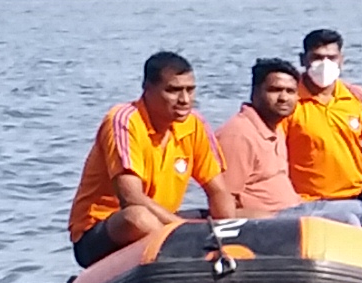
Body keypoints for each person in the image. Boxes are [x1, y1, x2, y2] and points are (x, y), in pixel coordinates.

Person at [66, 50, 222, 267]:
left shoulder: (194, 124)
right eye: (173, 91)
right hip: (103, 228)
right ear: (147, 90)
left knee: (254, 213)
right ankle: (186, 258)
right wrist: (187, 233)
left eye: (190, 90)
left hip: (163, 219)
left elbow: (218, 191)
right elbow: (132, 199)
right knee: (138, 217)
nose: (185, 99)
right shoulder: (124, 120)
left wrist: (228, 231)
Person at [282, 27, 362, 225]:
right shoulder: (289, 101)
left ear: (341, 60)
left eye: (331, 58)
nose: (324, 64)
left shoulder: (356, 97)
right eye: (317, 58)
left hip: (358, 191)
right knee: (352, 218)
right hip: (309, 200)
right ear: (302, 60)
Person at [208, 57, 313, 218]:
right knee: (347, 218)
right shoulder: (238, 135)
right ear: (254, 92)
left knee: (360, 209)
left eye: (290, 91)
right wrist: (268, 219)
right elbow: (223, 205)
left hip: (296, 209)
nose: (283, 98)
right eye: (274, 90)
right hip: (272, 223)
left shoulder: (275, 127)